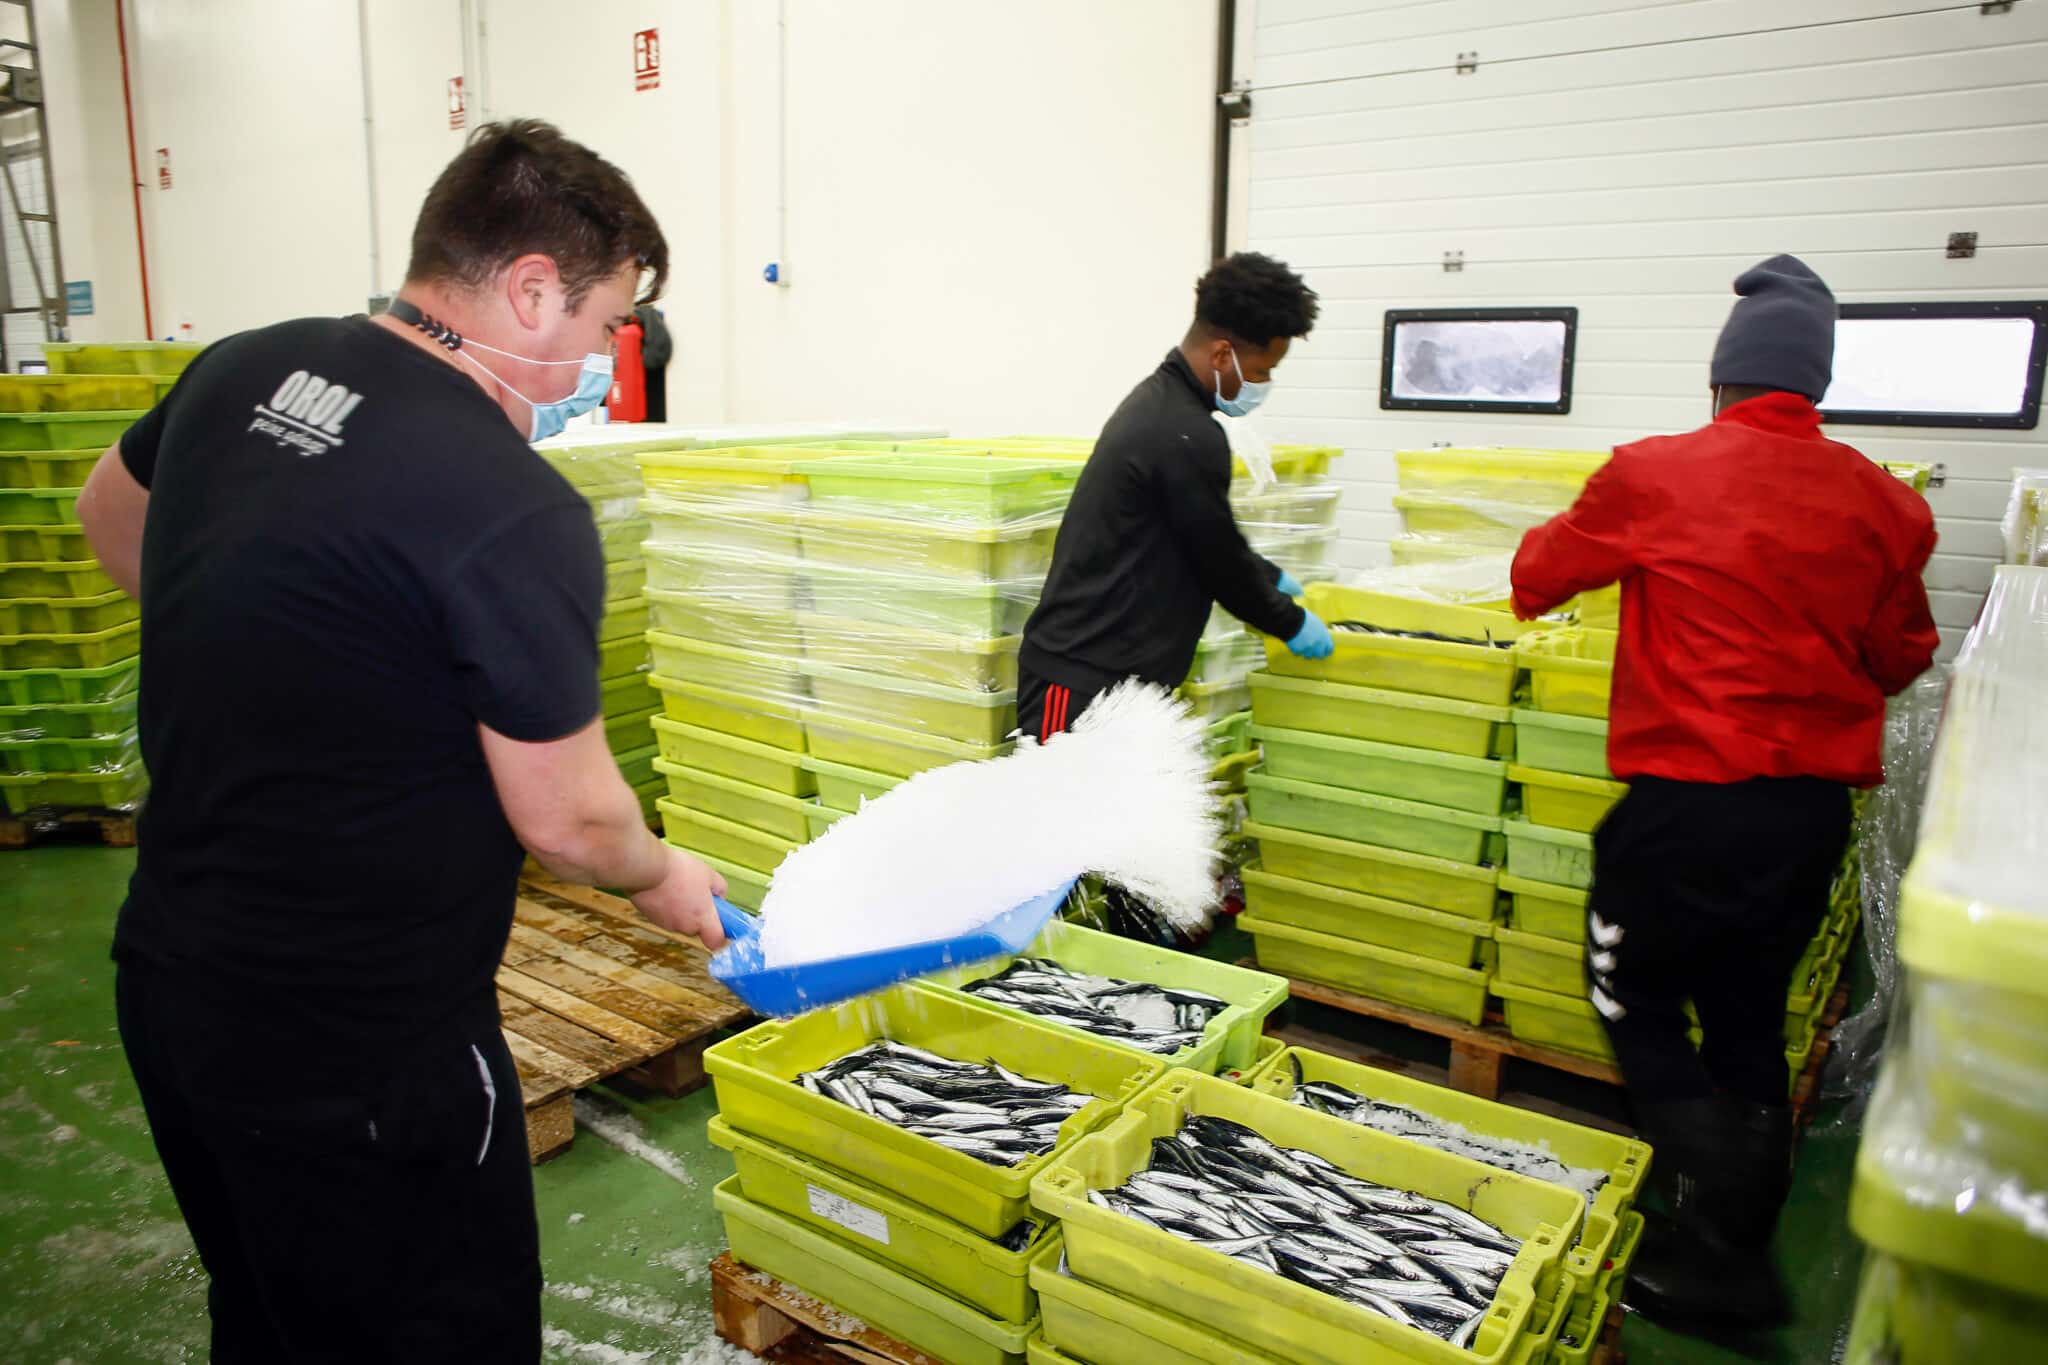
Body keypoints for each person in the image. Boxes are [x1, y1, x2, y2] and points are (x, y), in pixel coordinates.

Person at [75, 120, 728, 1363]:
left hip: (173, 977)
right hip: (366, 1047)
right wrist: (660, 874)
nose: (601, 361)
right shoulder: (508, 503)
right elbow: (568, 819)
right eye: (603, 330)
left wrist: (279, 664)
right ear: (531, 290)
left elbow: (111, 512)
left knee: (268, 1313)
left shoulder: (244, 368)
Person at [1511, 254, 1938, 1331]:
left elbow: (1533, 580)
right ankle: (1726, 1260)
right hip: (1804, 821)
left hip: (1684, 804)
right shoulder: (1887, 507)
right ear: (1814, 387)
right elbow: (1898, 658)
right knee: (1747, 1017)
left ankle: (1703, 1166)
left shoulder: (1654, 474)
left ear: (1719, 382)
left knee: (1630, 995)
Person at [1017, 252, 1334, 739]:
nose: (1265, 384)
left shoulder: (1169, 411)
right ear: (1223, 355)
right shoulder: (1180, 430)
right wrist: (1288, 622)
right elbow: (1219, 564)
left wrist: (1268, 575)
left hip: (1123, 678)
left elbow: (1199, 533)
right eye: (1264, 370)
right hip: (1080, 675)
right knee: (1059, 811)